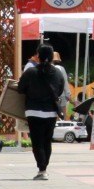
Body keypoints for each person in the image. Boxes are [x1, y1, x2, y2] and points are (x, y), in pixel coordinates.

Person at [19, 43, 68, 180]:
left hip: (33, 111)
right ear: (52, 56)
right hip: (51, 112)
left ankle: (42, 169)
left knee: (37, 142)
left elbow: (20, 88)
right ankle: (44, 167)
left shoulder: (30, 72)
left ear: (38, 56)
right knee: (47, 141)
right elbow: (59, 90)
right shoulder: (57, 73)